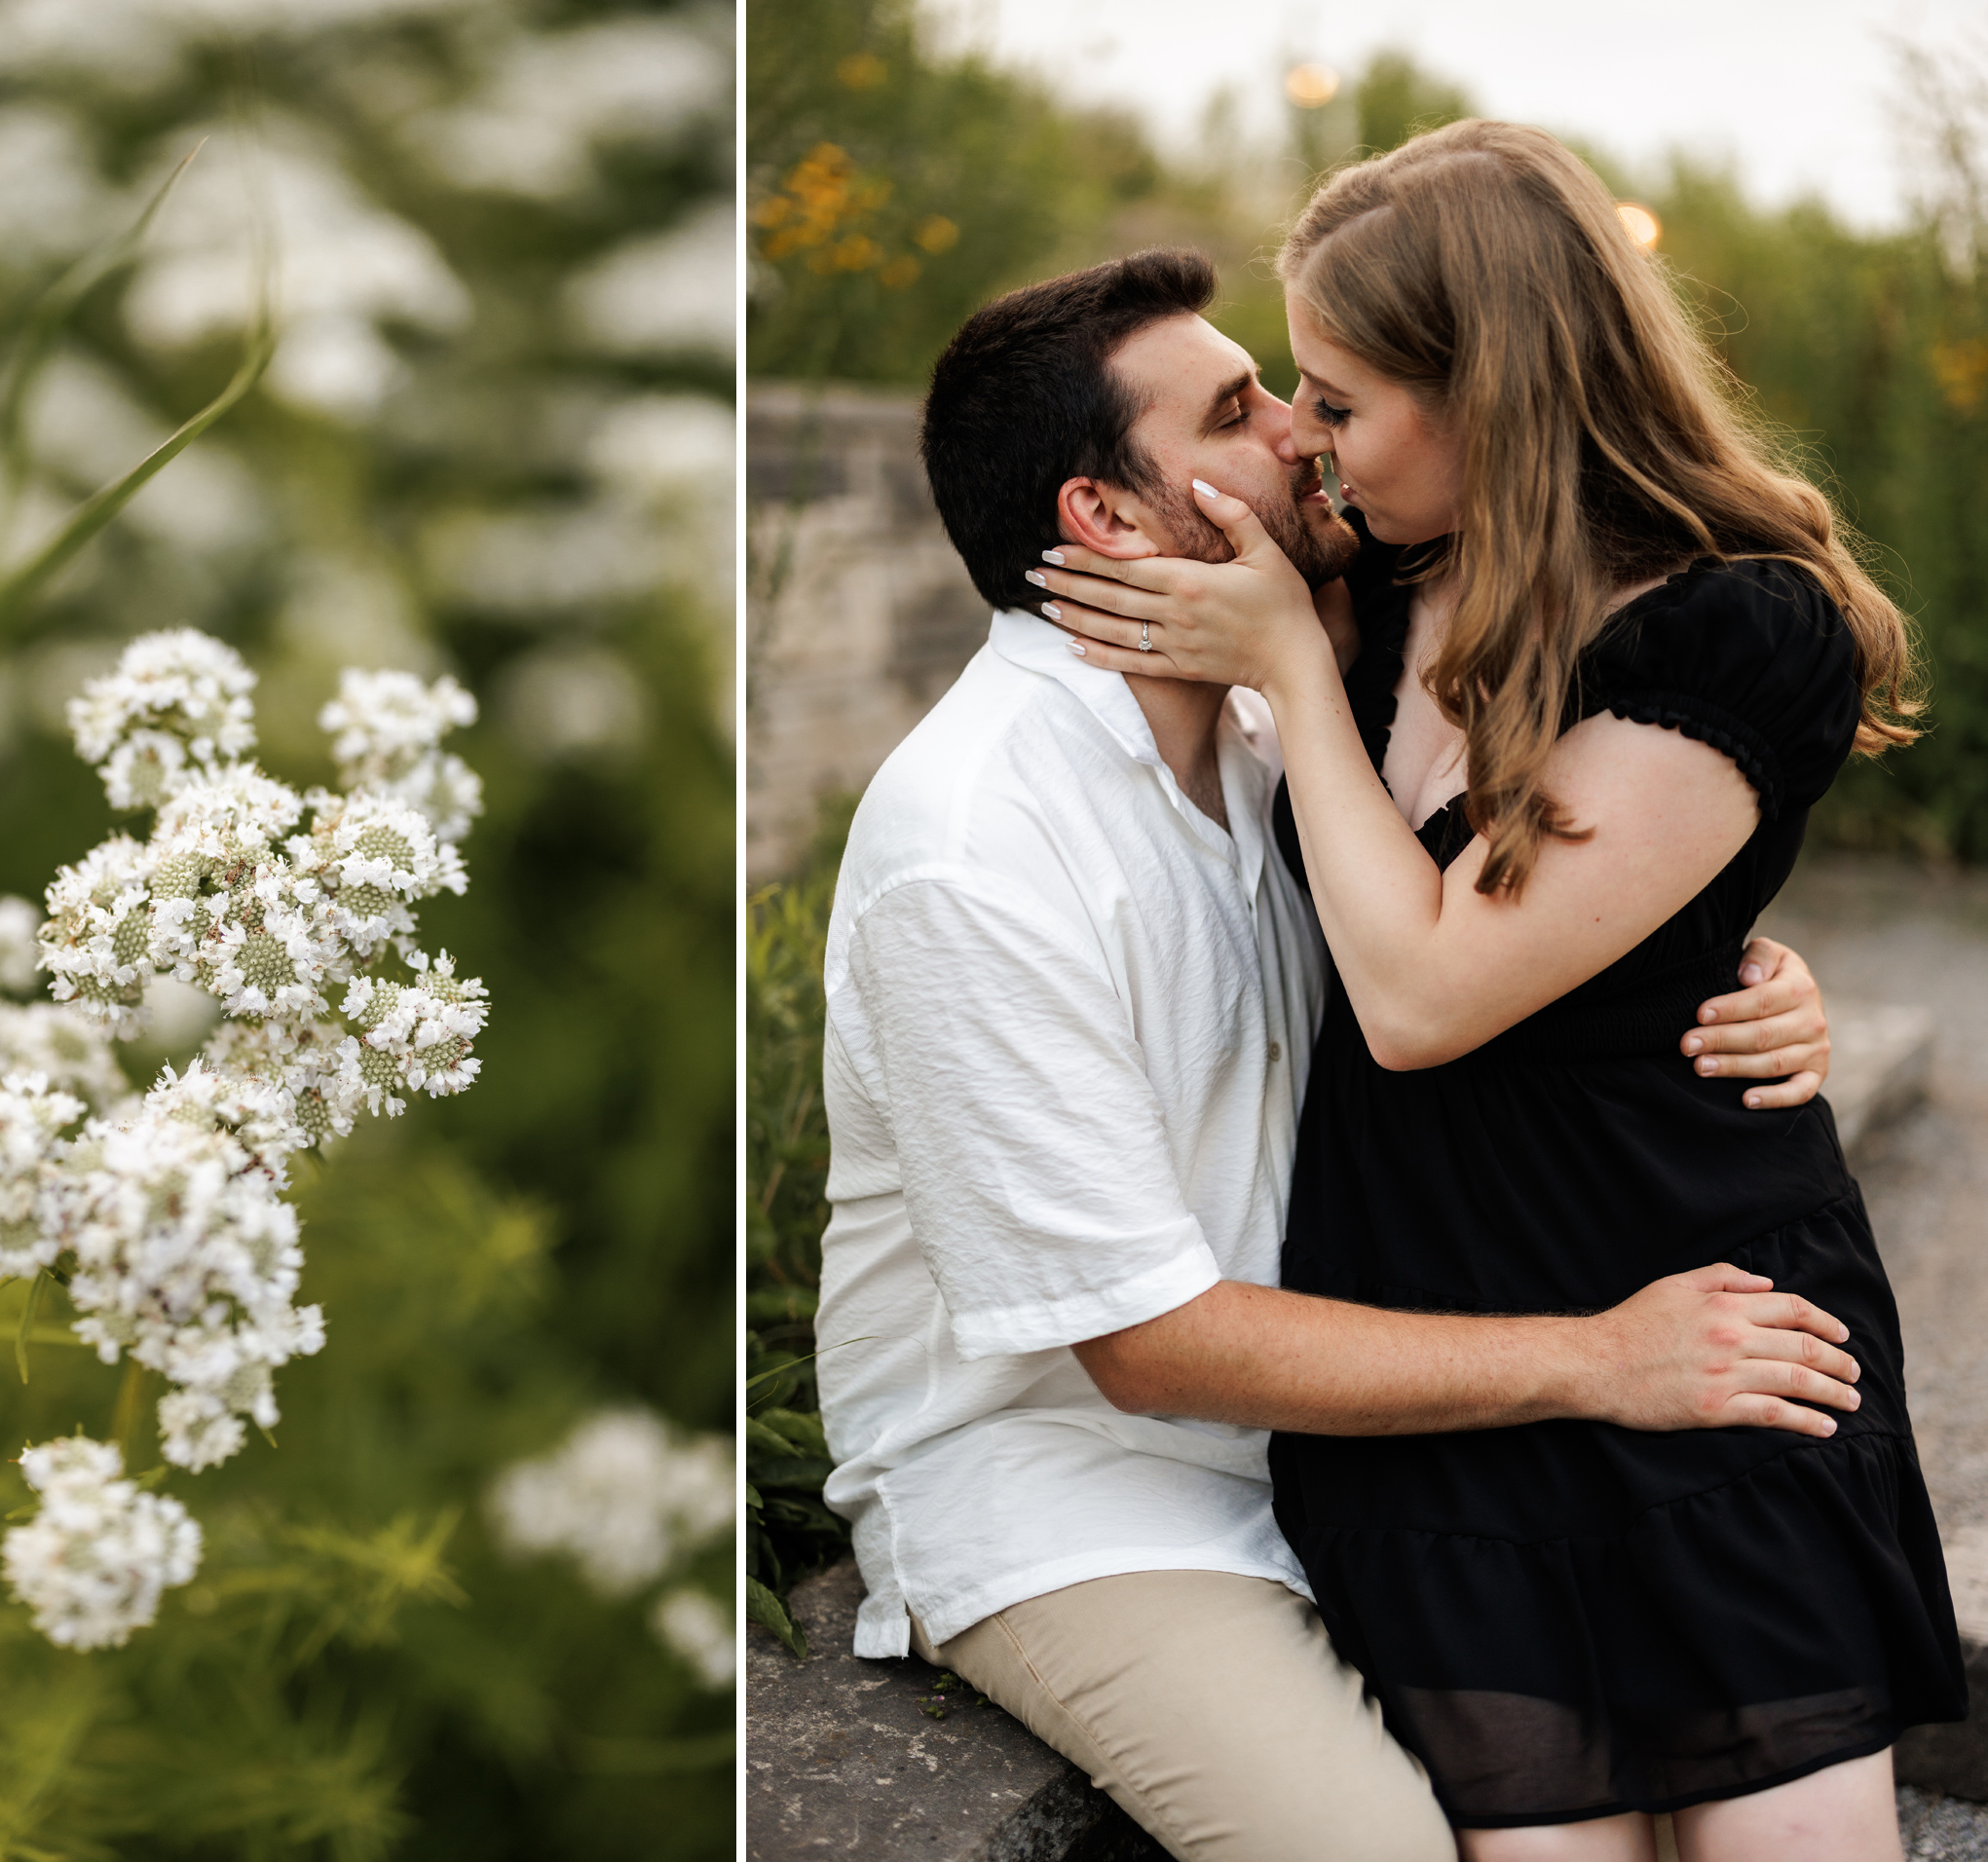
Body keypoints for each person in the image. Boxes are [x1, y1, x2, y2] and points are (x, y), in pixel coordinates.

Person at [812, 243, 1856, 1862]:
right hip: (1082, 1489)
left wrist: (1747, 968)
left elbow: (1516, 914)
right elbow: (1144, 1349)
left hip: (1351, 1446)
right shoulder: (978, 844)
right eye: (1239, 411)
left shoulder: (1276, 716)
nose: (1302, 434)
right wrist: (1598, 1359)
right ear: (1107, 518)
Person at [1033, 122, 1966, 1860]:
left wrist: (1299, 684)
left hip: (1704, 1322)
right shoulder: (1370, 577)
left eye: (1339, 399)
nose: (1305, 442)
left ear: (1498, 395)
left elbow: (1424, 996)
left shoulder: (1736, 627)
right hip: (1446, 1359)